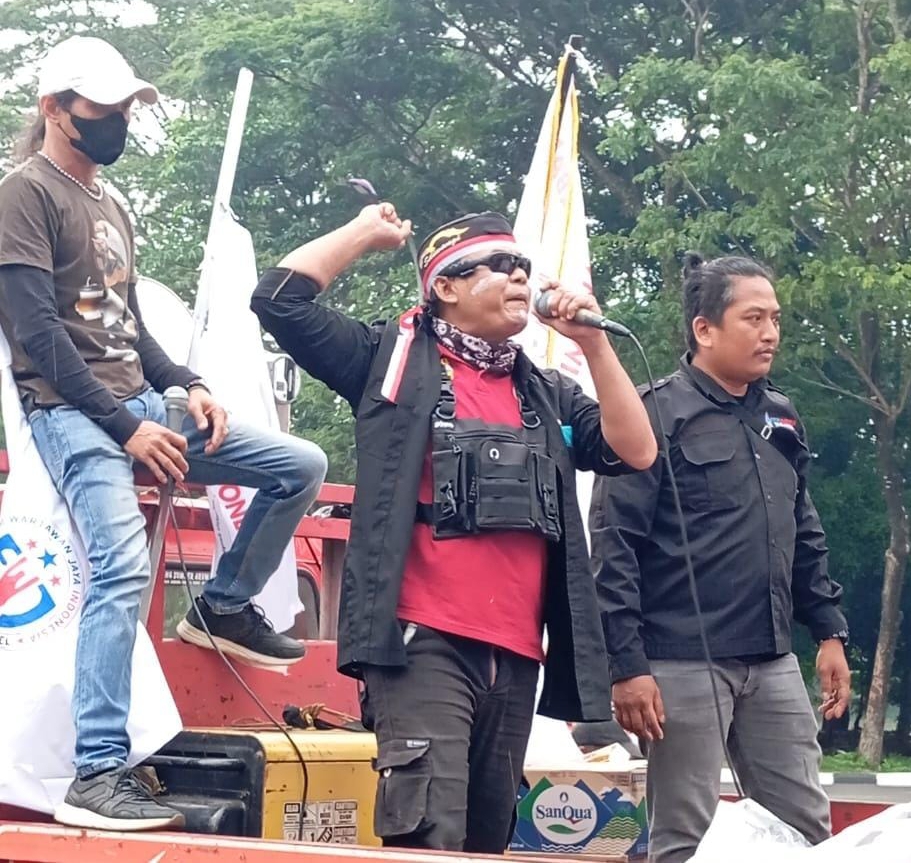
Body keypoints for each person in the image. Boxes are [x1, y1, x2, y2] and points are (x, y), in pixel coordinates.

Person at [251, 205, 657, 853]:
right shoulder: (388, 362)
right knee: (431, 835)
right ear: (445, 286)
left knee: (486, 840)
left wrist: (593, 343)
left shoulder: (543, 391)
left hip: (516, 654)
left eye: (523, 266)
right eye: (498, 265)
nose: (519, 276)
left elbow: (634, 450)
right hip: (423, 645)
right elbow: (278, 299)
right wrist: (363, 233)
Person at [0, 36, 328, 831]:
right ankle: (98, 770)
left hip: (140, 403)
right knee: (121, 568)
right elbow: (36, 333)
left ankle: (221, 606)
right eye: (103, 108)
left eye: (125, 108)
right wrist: (126, 428)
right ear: (56, 110)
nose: (117, 120)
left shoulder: (111, 202)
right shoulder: (23, 194)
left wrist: (191, 383)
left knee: (299, 463)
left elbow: (129, 326)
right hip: (71, 413)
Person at [591, 253, 851, 863]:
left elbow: (802, 528)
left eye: (776, 319)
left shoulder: (782, 415)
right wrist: (626, 666)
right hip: (680, 659)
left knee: (806, 832)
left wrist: (829, 631)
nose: (770, 333)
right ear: (704, 329)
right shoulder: (652, 412)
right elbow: (613, 545)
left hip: (772, 656)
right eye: (753, 318)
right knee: (685, 836)